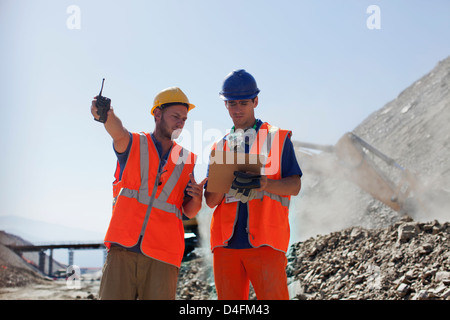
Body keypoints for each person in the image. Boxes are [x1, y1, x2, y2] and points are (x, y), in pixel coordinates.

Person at [91, 86, 206, 300]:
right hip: (122, 251)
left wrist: (197, 199)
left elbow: (189, 211)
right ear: (157, 114)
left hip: (163, 257)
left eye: (184, 118)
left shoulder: (186, 160)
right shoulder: (134, 143)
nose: (180, 122)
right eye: (175, 116)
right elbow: (117, 130)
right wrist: (106, 113)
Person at [204, 69, 302, 300]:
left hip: (266, 243)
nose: (237, 109)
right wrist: (219, 181)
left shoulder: (277, 139)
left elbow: (294, 186)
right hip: (225, 245)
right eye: (231, 103)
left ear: (255, 101)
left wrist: (265, 183)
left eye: (243, 103)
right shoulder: (219, 147)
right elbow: (211, 201)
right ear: (225, 104)